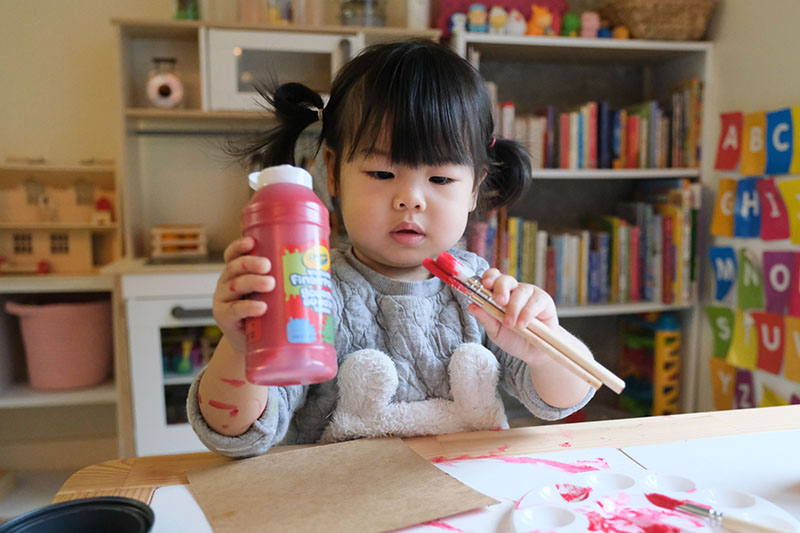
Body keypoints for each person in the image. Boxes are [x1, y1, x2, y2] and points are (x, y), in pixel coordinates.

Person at [188, 40, 595, 457]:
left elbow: (560, 401)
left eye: (440, 180)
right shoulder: (309, 294)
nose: (410, 199)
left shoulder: (480, 289)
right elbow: (236, 433)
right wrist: (240, 350)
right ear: (332, 173)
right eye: (382, 172)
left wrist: (544, 349)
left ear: (474, 187)